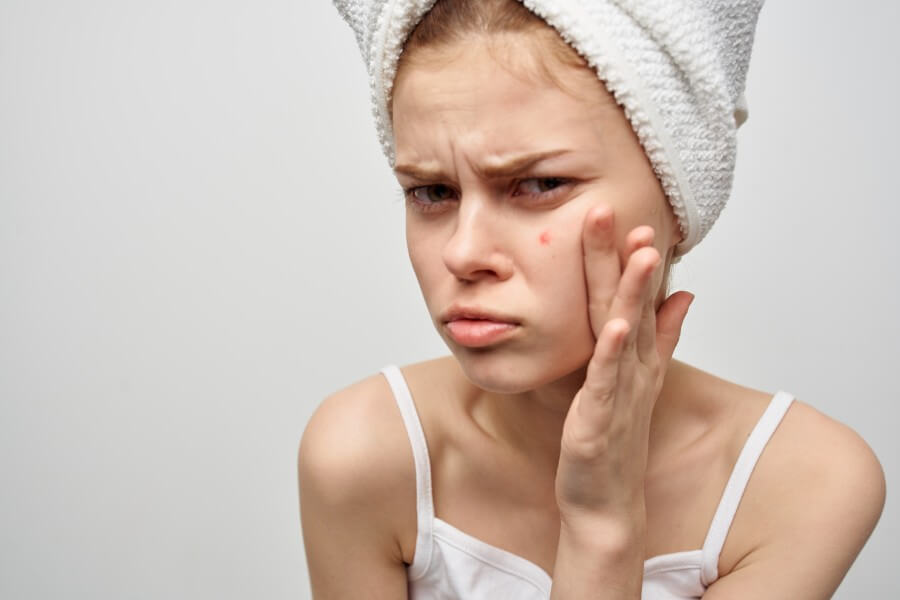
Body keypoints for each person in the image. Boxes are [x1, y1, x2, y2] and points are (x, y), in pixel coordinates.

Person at [298, 0, 885, 597]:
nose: (463, 252)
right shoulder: (365, 455)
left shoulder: (803, 483)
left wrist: (603, 523)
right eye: (431, 191)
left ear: (678, 196)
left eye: (541, 184)